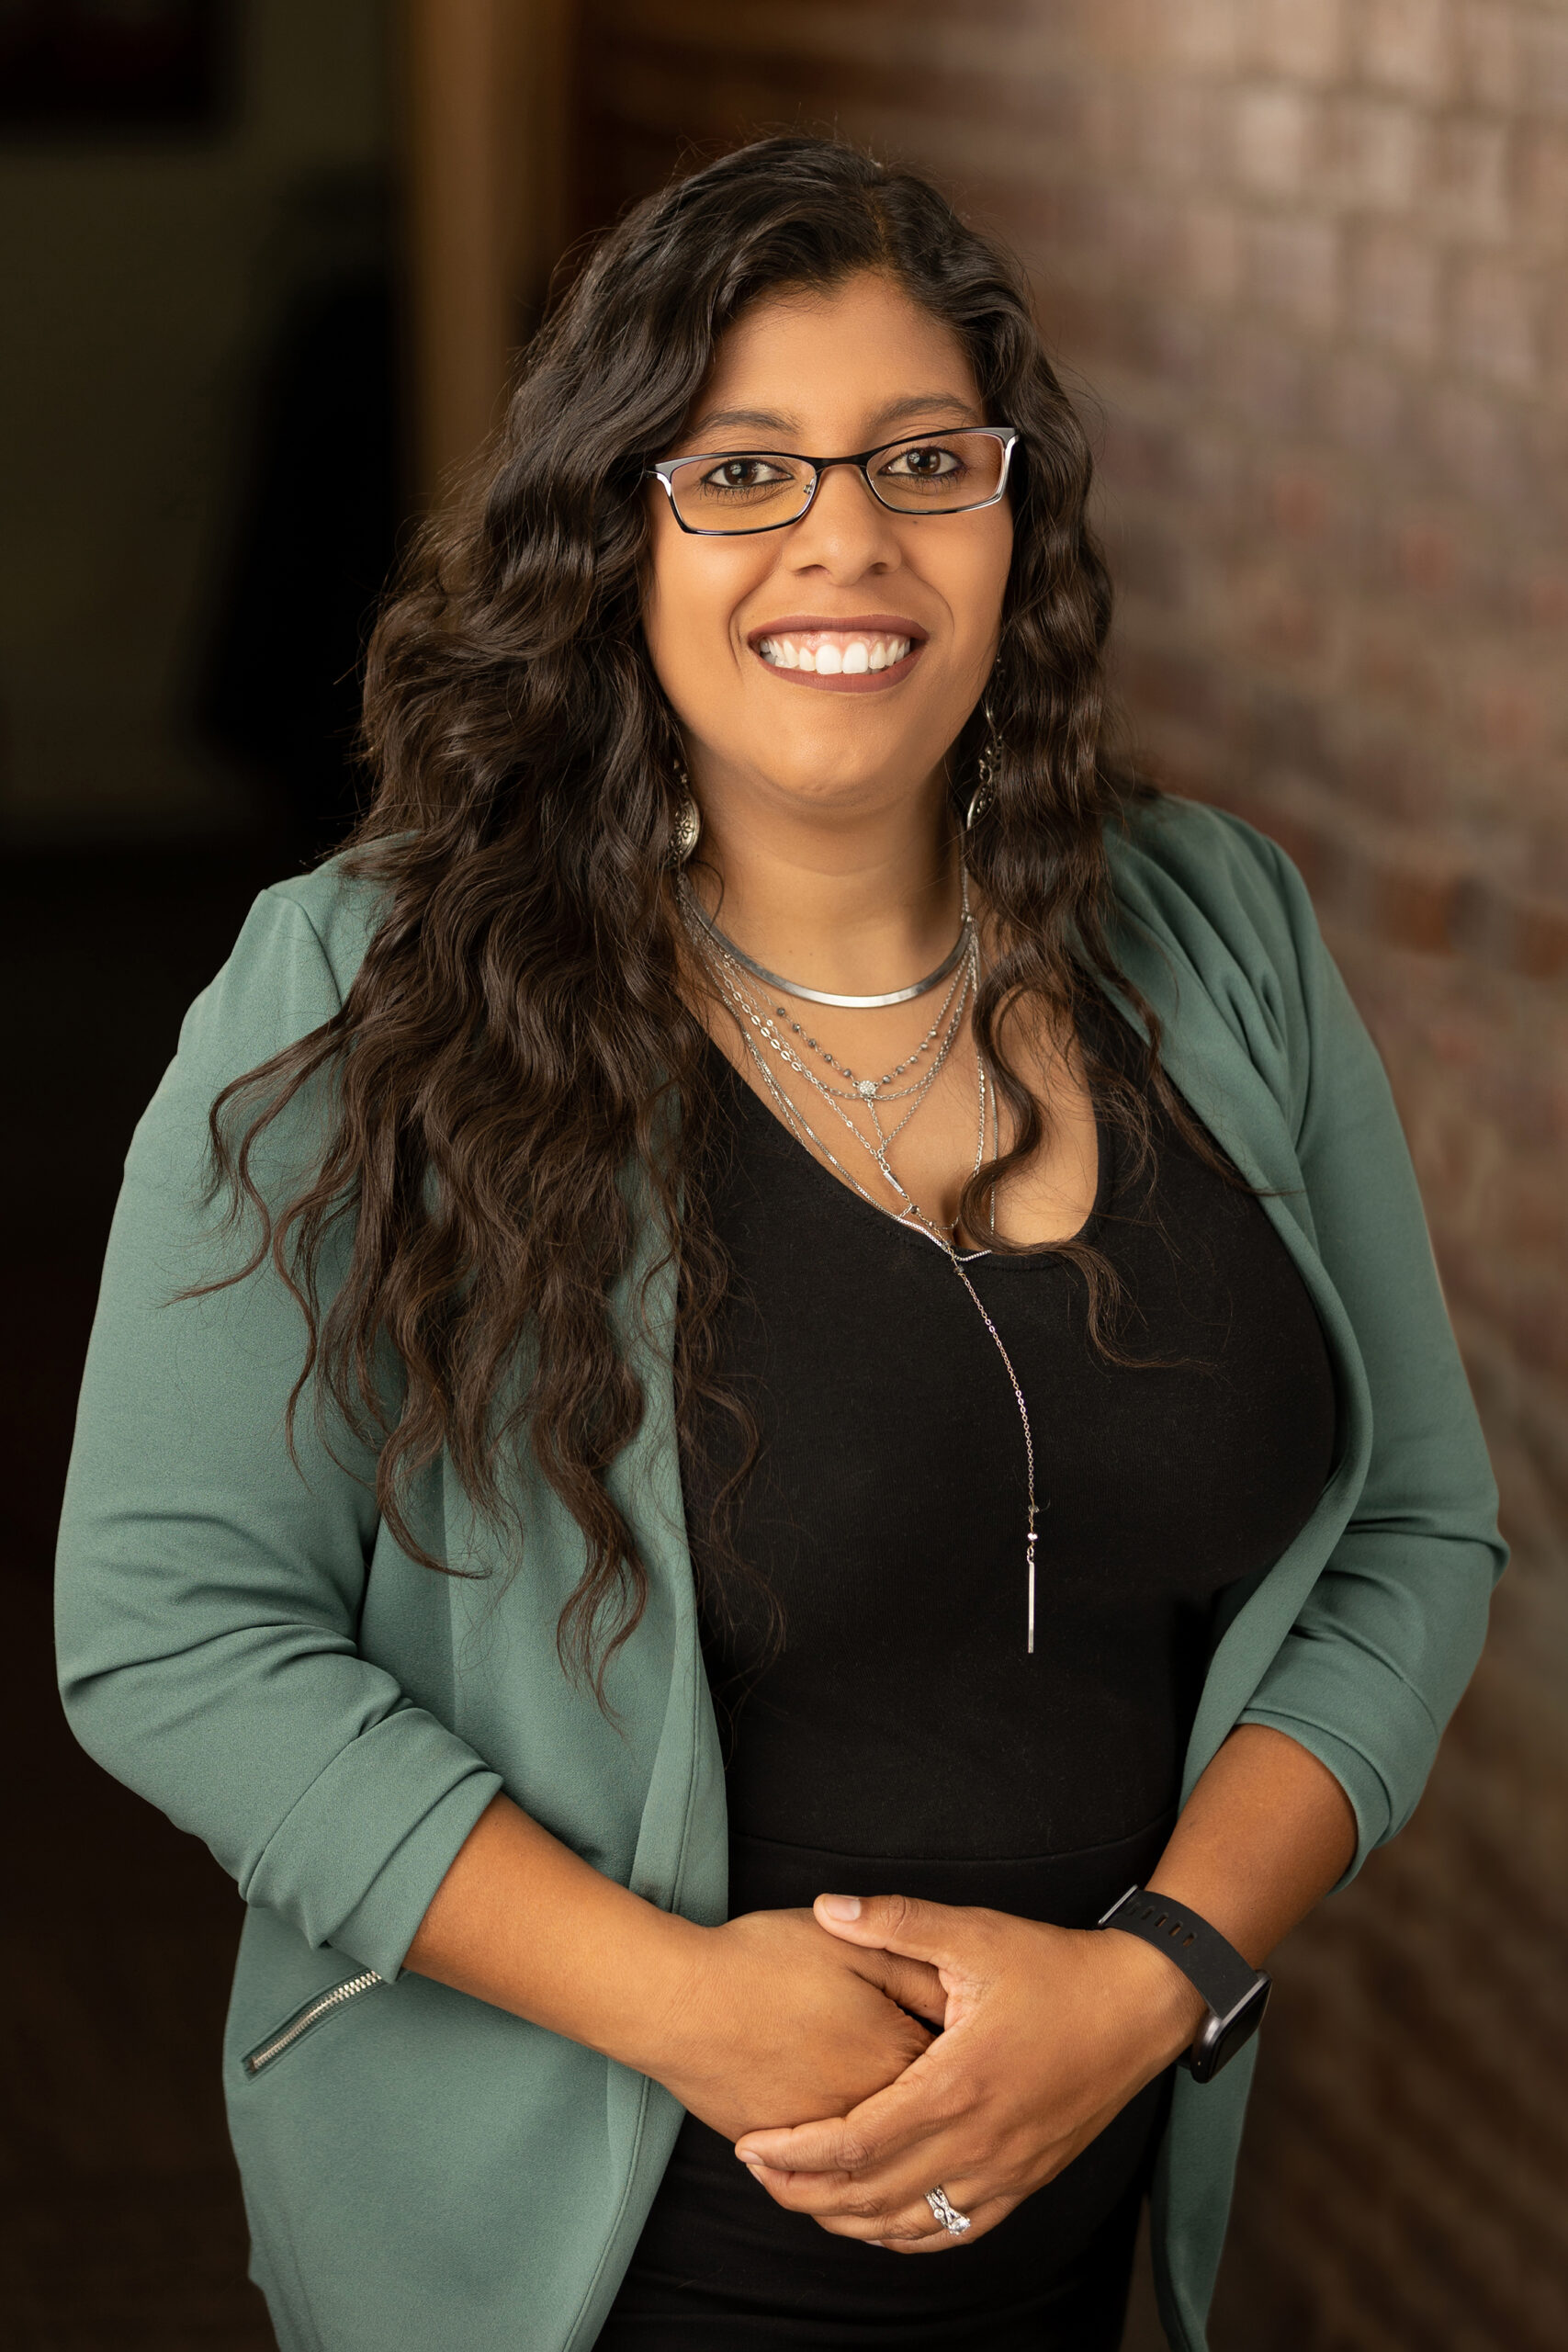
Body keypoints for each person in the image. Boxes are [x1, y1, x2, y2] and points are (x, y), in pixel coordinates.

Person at [56, 136, 1504, 2352]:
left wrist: (1153, 1981)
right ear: (614, 530)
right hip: (590, 2270)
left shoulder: (1220, 935)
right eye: (739, 468)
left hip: (1074, 2226)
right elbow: (167, 1620)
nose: (845, 534)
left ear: (1011, 519)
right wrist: (686, 2006)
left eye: (923, 457)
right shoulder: (364, 989)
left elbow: (1411, 1526)